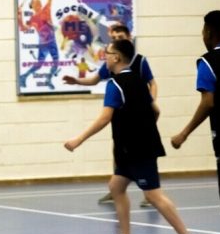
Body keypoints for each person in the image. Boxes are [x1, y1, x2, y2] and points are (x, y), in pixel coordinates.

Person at [64, 39, 201, 234]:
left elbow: (104, 118)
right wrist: (145, 128)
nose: (104, 56)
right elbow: (155, 111)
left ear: (116, 57)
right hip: (131, 149)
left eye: (107, 53)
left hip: (137, 150)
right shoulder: (138, 81)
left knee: (153, 195)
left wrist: (78, 139)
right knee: (116, 186)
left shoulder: (115, 85)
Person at [171, 10, 220, 234]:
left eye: (203, 30)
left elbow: (208, 102)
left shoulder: (208, 63)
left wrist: (184, 133)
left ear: (209, 32)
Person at [63, 24, 156, 207]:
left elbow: (153, 84)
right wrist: (77, 81)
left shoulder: (140, 62)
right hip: (123, 119)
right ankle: (117, 191)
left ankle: (150, 194)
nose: (116, 40)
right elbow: (94, 79)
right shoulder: (112, 65)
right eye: (113, 38)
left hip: (139, 117)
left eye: (120, 36)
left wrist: (150, 102)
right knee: (119, 150)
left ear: (129, 37)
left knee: (143, 153)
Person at [17, 0, 59, 90]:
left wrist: (19, 17)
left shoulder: (41, 13)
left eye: (38, 2)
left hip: (44, 42)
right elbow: (23, 29)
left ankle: (24, 77)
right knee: (55, 61)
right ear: (35, 7)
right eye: (37, 3)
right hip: (48, 42)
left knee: (41, 64)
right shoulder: (39, 14)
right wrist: (19, 17)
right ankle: (47, 80)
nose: (39, 3)